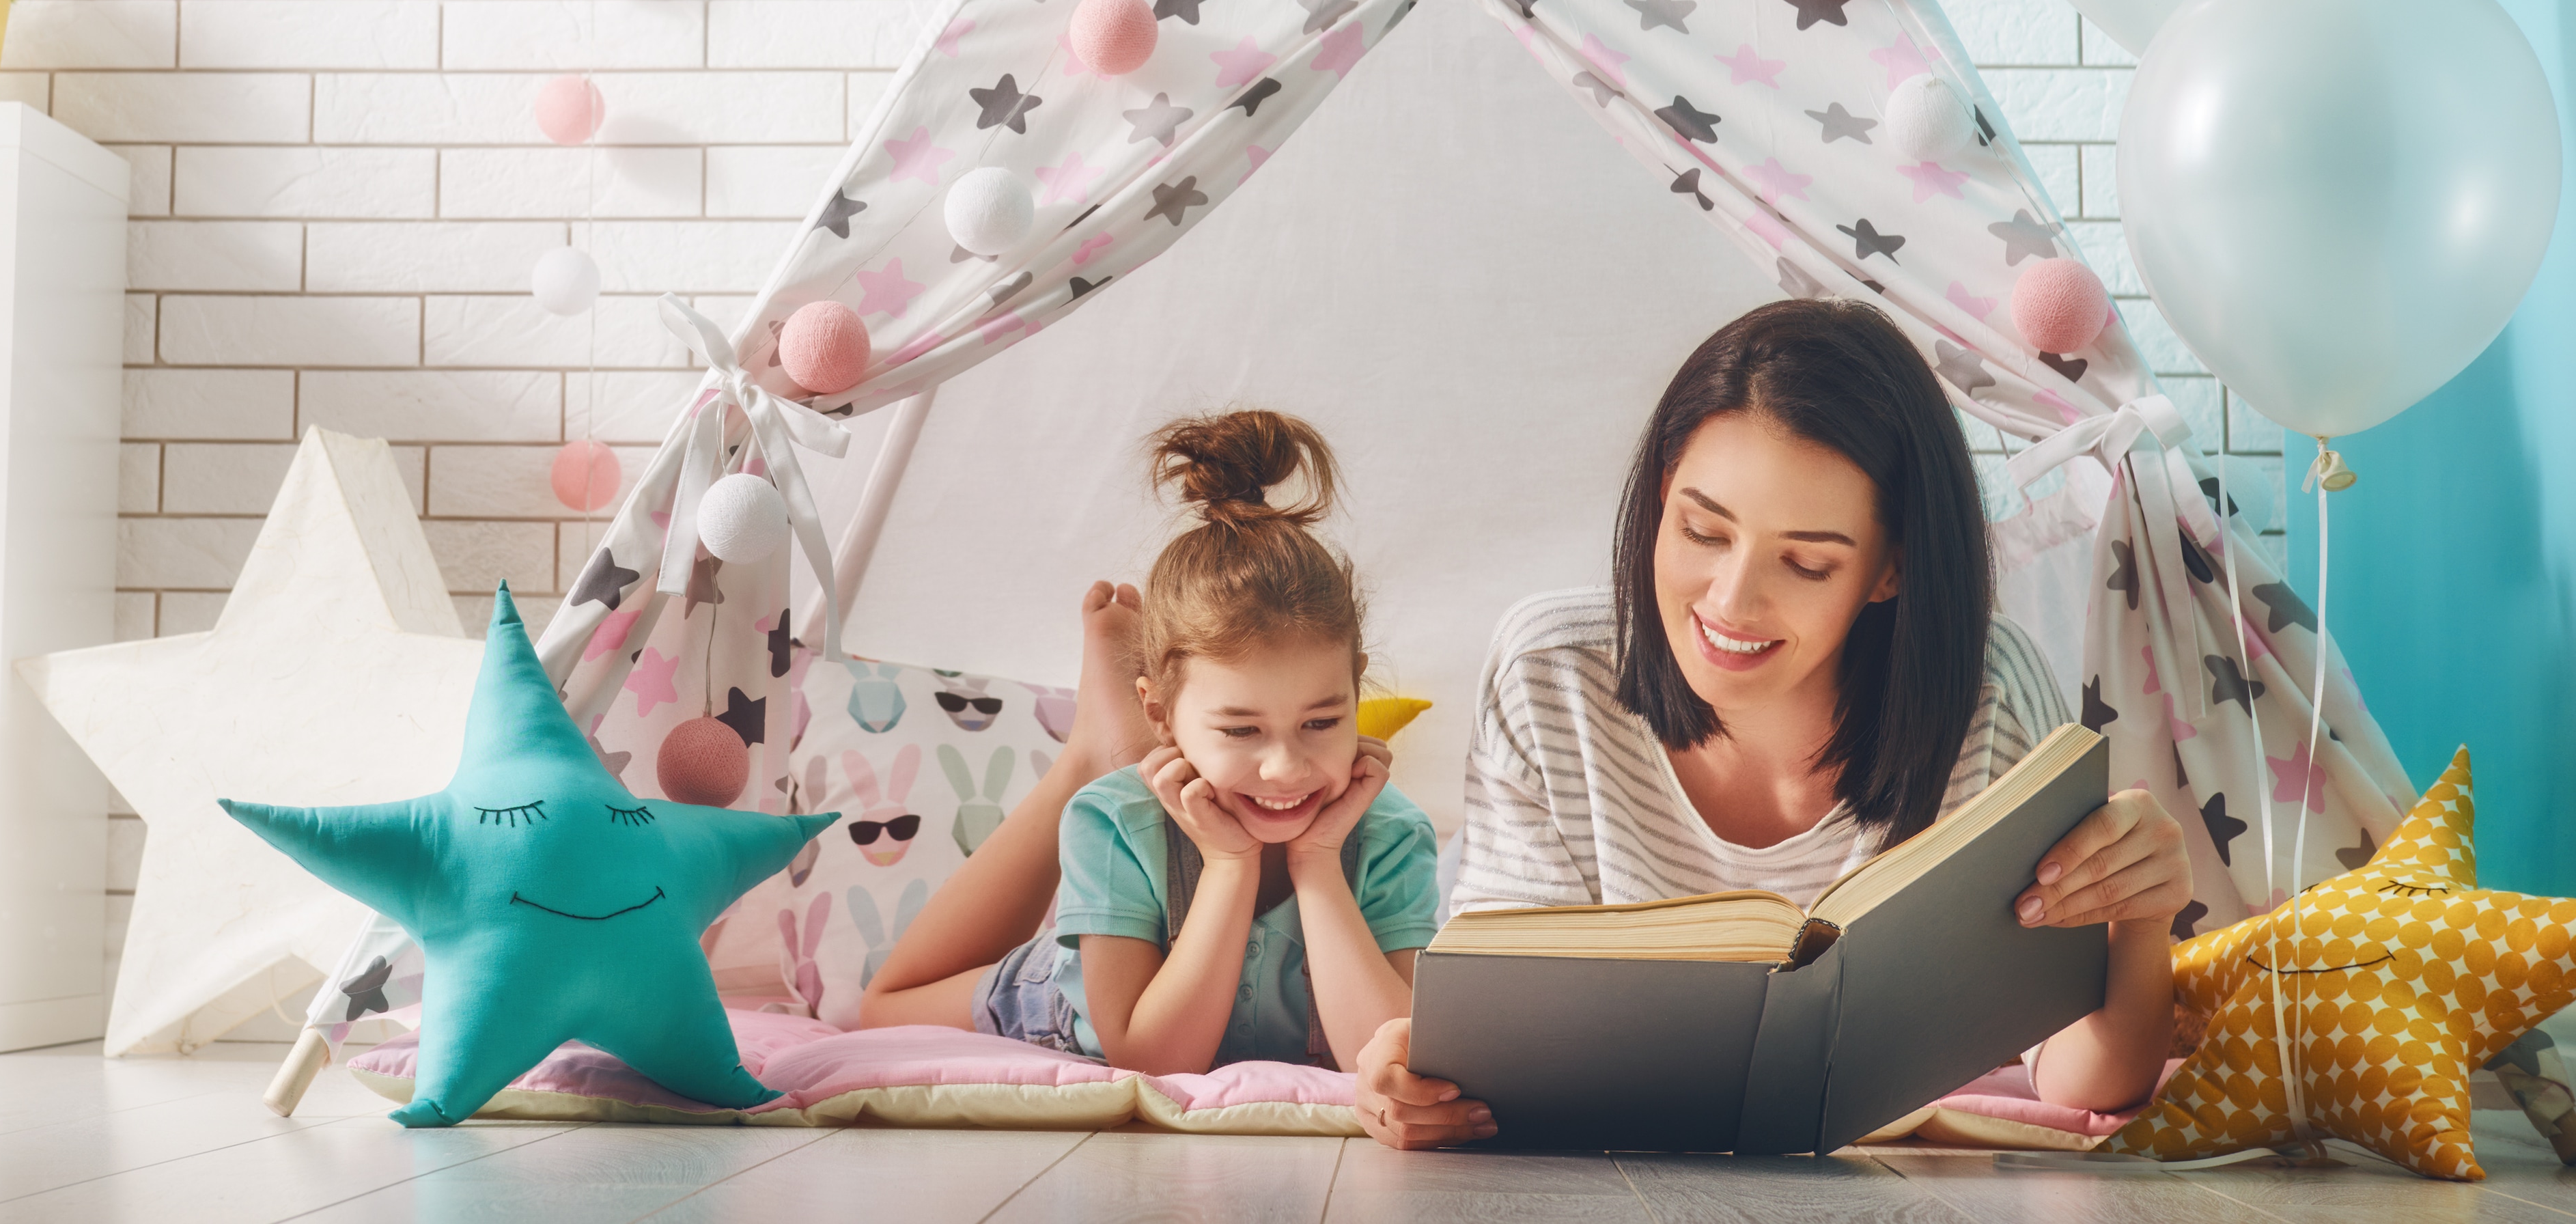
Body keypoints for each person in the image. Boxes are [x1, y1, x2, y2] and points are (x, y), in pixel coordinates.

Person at [1351, 298, 2191, 1149]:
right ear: (1657, 499)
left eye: (1805, 562)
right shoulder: (1550, 676)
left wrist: (2139, 920)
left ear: (1888, 570)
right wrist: (1415, 1074)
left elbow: (2085, 1081)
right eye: (1700, 530)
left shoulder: (1987, 699)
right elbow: (1497, 1038)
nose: (1728, 600)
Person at [857, 410, 1439, 1075]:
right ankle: (1088, 751)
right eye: (1240, 729)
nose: (1283, 769)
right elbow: (1153, 1059)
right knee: (878, 1009)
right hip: (1081, 998)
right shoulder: (1116, 820)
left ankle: (1118, 743)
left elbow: (1390, 1054)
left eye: (1320, 723)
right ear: (1159, 711)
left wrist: (1316, 860)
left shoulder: (1390, 832)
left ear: (1355, 693)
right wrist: (1227, 865)